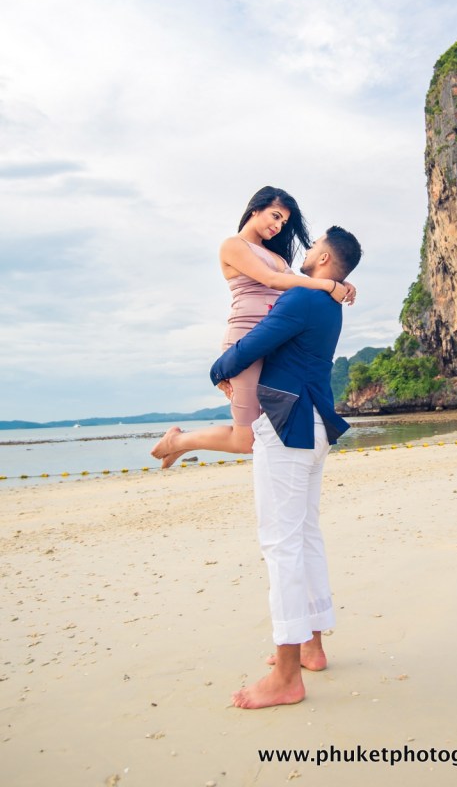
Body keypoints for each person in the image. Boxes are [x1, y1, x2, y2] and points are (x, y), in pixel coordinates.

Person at [209, 225, 362, 709]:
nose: (306, 251)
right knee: (304, 536)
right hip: (313, 427)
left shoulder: (303, 300)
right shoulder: (330, 305)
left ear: (322, 258)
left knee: (281, 544)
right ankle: (312, 647)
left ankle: (288, 676)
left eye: (313, 246)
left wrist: (217, 370)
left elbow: (253, 345)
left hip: (287, 426)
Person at [151, 188, 355, 468]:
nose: (278, 225)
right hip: (244, 341)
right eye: (275, 215)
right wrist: (329, 285)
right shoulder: (233, 245)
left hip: (271, 345)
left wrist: (340, 282)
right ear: (254, 209)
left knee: (262, 430)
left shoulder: (278, 257)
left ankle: (180, 443)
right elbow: (272, 280)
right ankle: (178, 442)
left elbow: (300, 284)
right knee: (246, 439)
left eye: (283, 222)